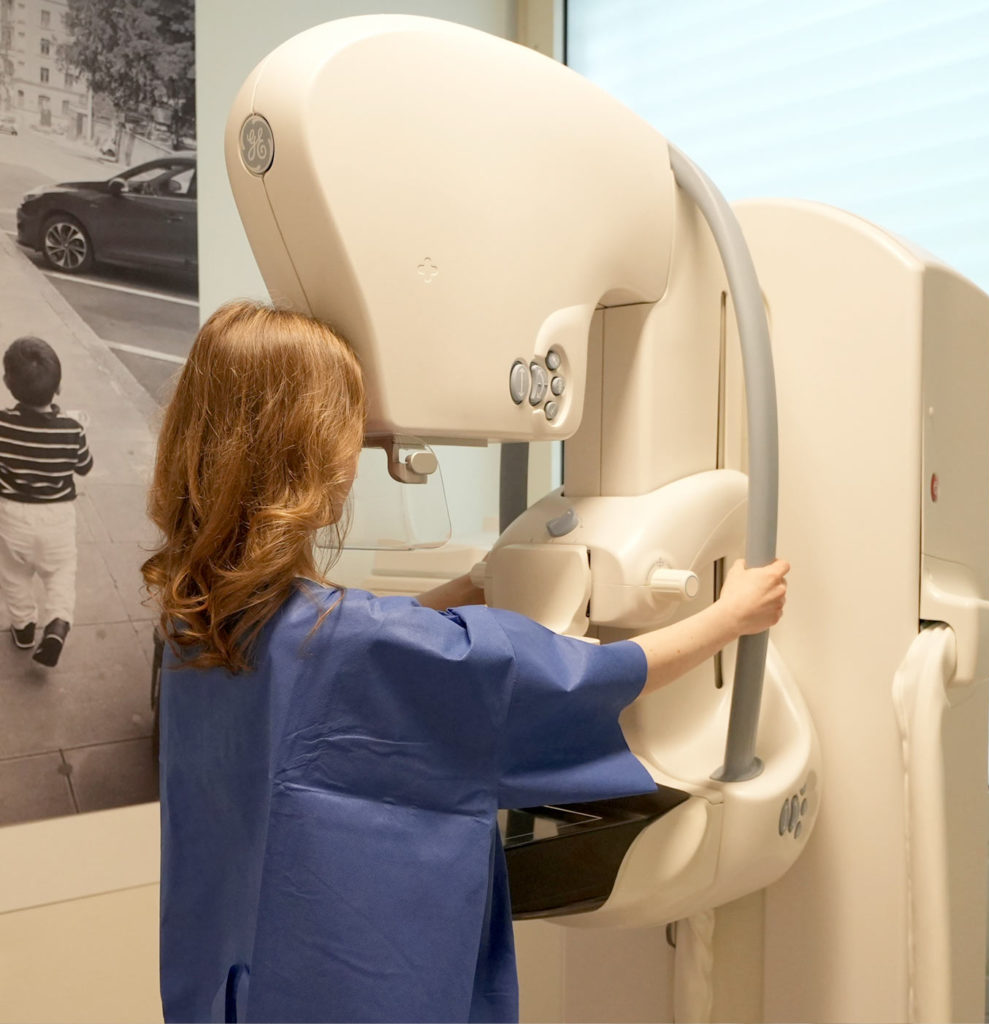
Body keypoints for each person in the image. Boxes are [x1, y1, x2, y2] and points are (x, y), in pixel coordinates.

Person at [143, 300, 788, 1024]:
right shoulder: (348, 639)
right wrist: (731, 617)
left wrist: (478, 582)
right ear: (309, 451)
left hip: (229, 977)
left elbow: (331, 659)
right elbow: (575, 679)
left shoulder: (194, 620)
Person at [0, 336, 93, 667]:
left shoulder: (2, 425)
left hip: (12, 518)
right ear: (59, 388)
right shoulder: (72, 429)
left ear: (8, 383)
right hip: (56, 518)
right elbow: (84, 466)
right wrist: (79, 430)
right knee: (60, 574)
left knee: (14, 574)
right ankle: (56, 624)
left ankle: (24, 628)